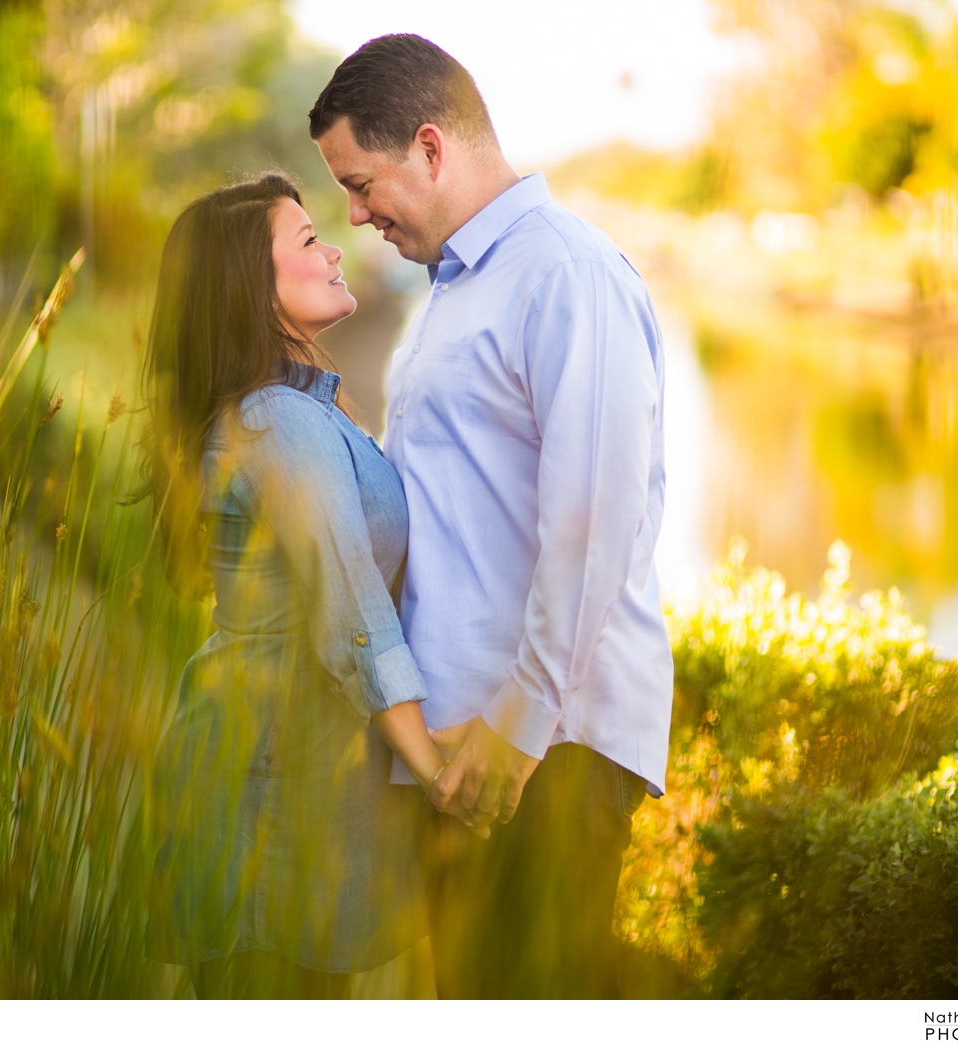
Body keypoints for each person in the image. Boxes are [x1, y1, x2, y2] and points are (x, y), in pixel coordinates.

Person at [309, 34, 675, 998]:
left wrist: (515, 731)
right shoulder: (458, 287)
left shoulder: (564, 272)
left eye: (360, 182)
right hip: (471, 753)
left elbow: (594, 516)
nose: (353, 215)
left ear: (430, 148)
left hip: (543, 752)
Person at [138, 173, 459, 998]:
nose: (335, 249)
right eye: (308, 241)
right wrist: (437, 770)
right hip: (270, 792)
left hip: (291, 770)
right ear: (254, 284)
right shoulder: (276, 420)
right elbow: (352, 614)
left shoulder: (299, 411)